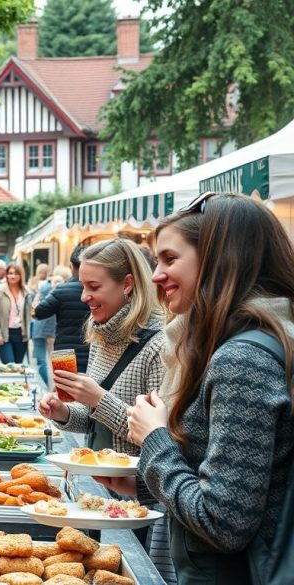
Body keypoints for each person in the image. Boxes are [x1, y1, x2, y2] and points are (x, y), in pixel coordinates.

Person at [105, 194, 294, 584]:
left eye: (170, 259)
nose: (156, 275)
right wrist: (142, 483)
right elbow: (245, 482)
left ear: (220, 260)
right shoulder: (259, 340)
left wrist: (155, 438)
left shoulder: (242, 359)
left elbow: (222, 523)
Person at [38, 238, 165, 456]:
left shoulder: (159, 346)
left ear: (127, 284)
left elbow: (159, 439)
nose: (83, 296)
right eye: (83, 286)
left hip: (132, 485)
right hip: (99, 479)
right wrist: (63, 412)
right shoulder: (101, 334)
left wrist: (98, 398)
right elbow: (93, 418)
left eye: (93, 287)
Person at [34, 245, 91, 372]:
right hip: (93, 352)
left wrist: (38, 296)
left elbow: (38, 312)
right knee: (91, 390)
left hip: (64, 352)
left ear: (71, 266)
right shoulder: (100, 291)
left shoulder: (61, 290)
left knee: (65, 390)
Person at [0, 263, 32, 364]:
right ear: (6, 275)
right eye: (10, 273)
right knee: (10, 366)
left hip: (21, 335)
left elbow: (30, 311)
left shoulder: (26, 292)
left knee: (18, 365)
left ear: (21, 275)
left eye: (16, 273)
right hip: (4, 334)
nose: (12, 276)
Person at [29, 264, 57, 386]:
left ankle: (44, 387)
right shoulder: (55, 286)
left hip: (39, 325)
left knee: (42, 361)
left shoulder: (38, 285)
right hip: (53, 327)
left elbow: (33, 307)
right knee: (56, 360)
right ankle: (57, 389)